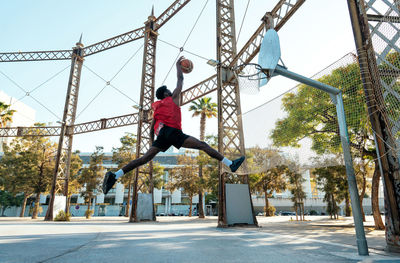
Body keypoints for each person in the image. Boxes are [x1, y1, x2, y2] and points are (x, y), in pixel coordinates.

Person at [102, 56, 245, 195]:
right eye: (168, 90)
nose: (171, 90)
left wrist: (153, 143)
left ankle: (115, 175)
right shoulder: (173, 98)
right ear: (166, 93)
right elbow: (180, 80)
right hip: (173, 132)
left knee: (144, 159)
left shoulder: (157, 109)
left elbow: (152, 129)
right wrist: (178, 67)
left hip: (162, 135)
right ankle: (230, 163)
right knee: (202, 145)